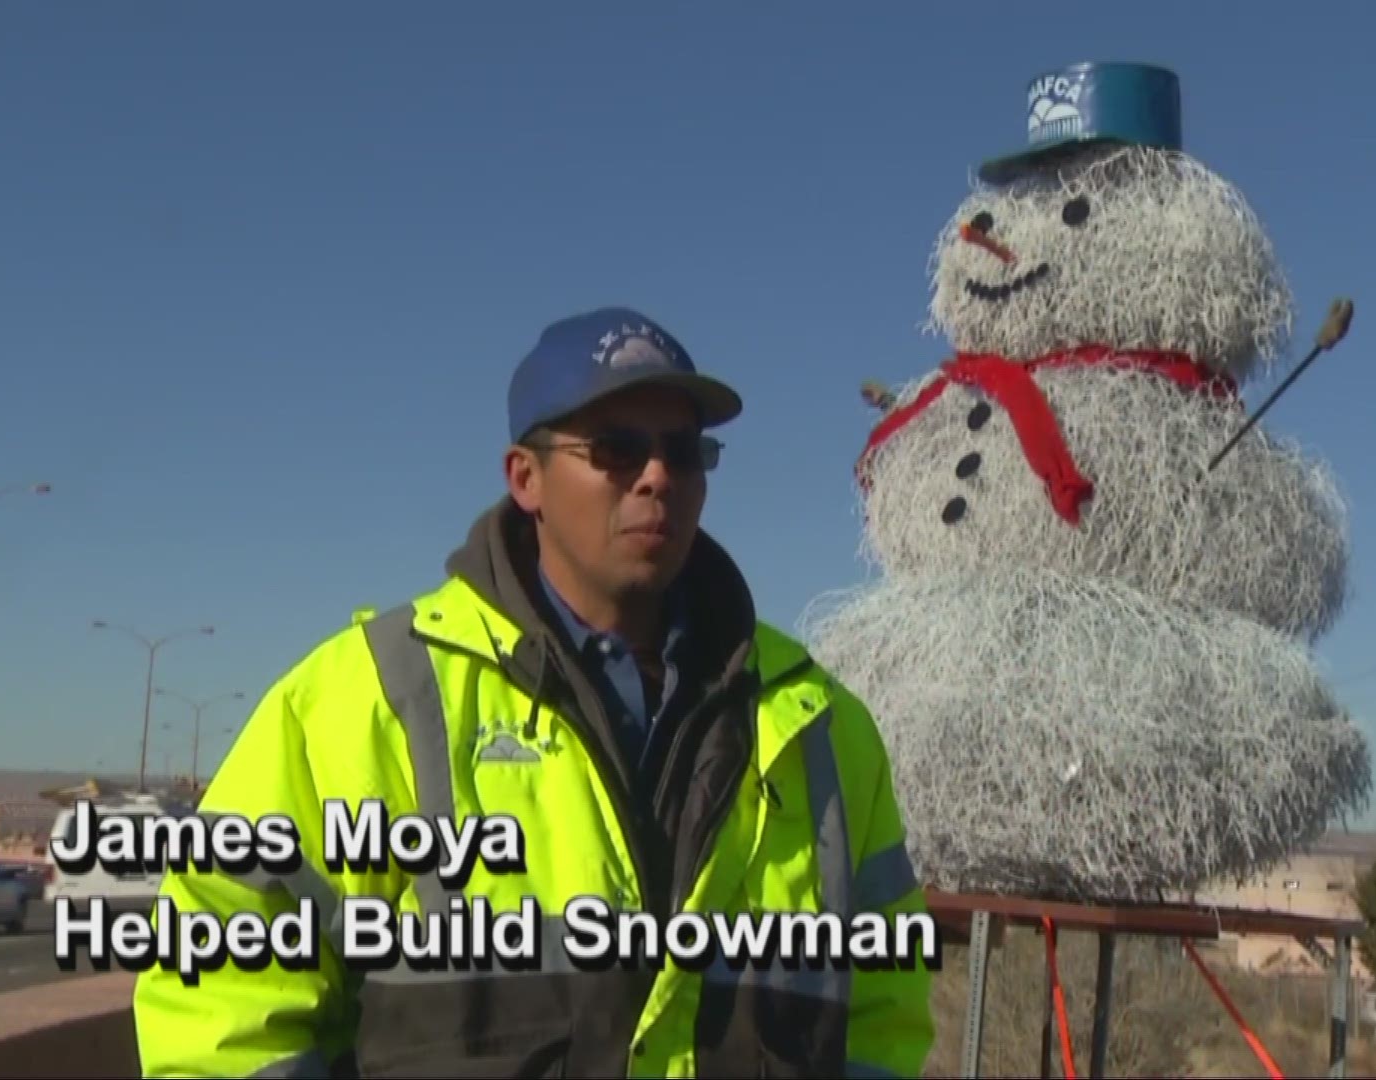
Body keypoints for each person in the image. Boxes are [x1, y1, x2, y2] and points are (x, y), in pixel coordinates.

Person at [131, 306, 935, 1078]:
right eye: (617, 448)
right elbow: (218, 985)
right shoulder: (370, 700)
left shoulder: (819, 725)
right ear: (526, 478)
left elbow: (884, 1014)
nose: (658, 477)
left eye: (684, 451)